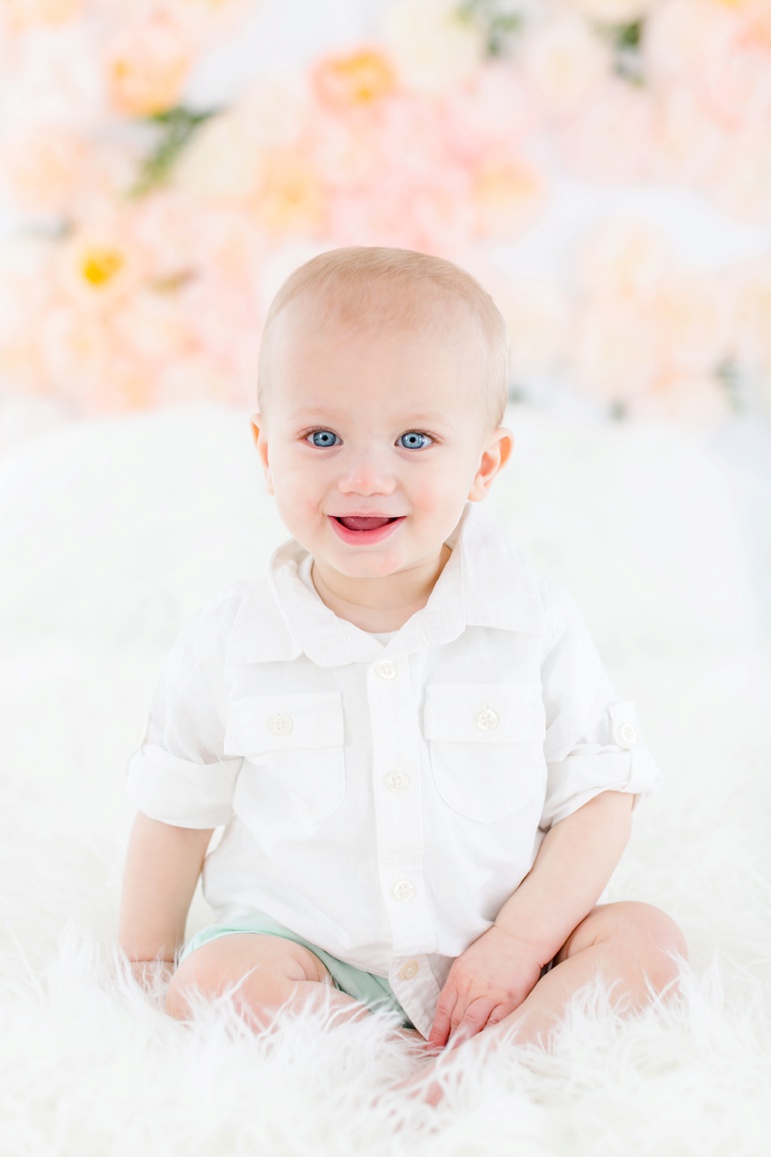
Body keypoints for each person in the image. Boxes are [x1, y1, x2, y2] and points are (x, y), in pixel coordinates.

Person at [119, 246, 686, 1100]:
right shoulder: (231, 639)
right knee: (213, 983)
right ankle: (398, 1065)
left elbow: (600, 796)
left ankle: (491, 1057)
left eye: (414, 439)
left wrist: (519, 946)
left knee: (650, 940)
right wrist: (143, 963)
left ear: (484, 465)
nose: (364, 475)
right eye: (320, 436)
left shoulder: (531, 619)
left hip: (499, 950)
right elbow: (173, 810)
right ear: (264, 450)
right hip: (312, 956)